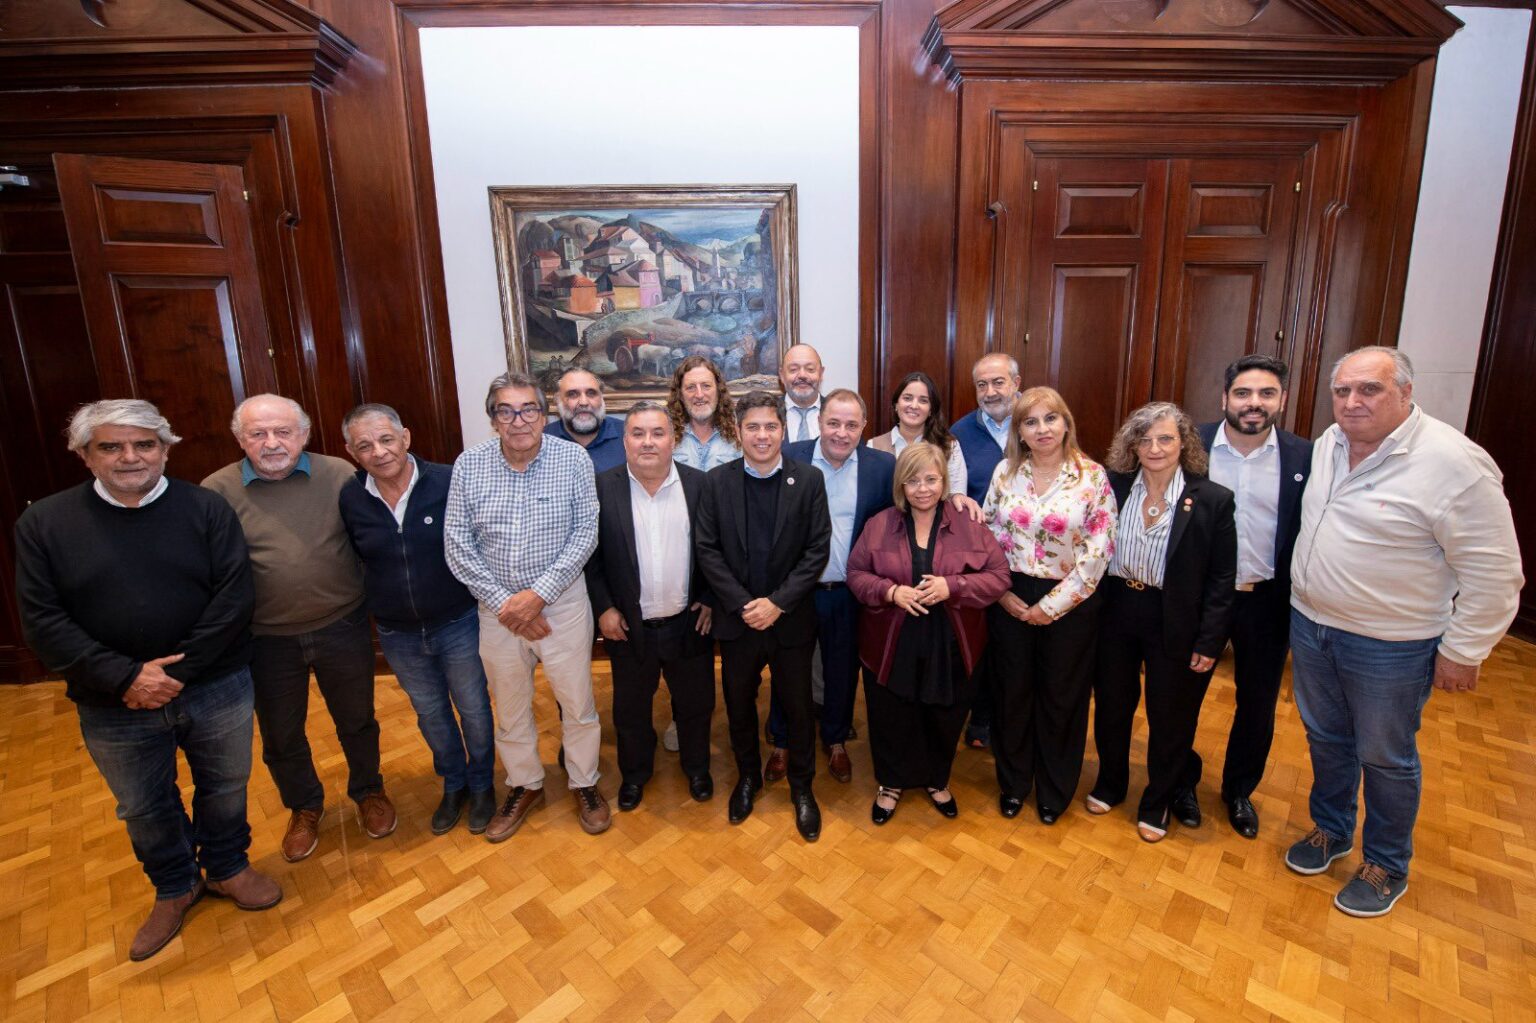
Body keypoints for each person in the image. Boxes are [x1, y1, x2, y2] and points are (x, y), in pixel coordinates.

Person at [15, 399, 280, 962]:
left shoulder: (206, 508)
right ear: (85, 455)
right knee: (143, 805)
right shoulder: (44, 524)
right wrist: (127, 677)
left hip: (215, 684)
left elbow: (233, 598)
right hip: (113, 700)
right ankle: (175, 885)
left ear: (165, 449)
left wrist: (172, 675)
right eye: (111, 446)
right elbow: (42, 621)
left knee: (226, 785)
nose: (129, 457)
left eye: (144, 444)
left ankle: (227, 867)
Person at [1285, 346, 1521, 917]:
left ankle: (1387, 864)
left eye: (1370, 389)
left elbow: (1496, 572)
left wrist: (1464, 650)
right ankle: (1331, 829)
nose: (1352, 401)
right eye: (1343, 390)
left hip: (1390, 647)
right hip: (1312, 626)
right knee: (1326, 738)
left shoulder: (1455, 465)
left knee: (1385, 756)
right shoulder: (1330, 442)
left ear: (1406, 393)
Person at [204, 394, 396, 862]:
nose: (271, 443)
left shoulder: (341, 474)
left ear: (304, 435)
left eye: (283, 432)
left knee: (356, 719)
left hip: (342, 624)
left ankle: (369, 791)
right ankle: (304, 807)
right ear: (240, 439)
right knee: (281, 734)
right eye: (258, 434)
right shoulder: (216, 490)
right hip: (265, 638)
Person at [445, 372, 611, 840]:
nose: (518, 420)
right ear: (493, 418)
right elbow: (457, 544)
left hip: (562, 605)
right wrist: (508, 604)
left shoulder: (572, 459)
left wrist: (538, 596)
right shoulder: (469, 465)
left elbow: (585, 533)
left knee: (577, 703)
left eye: (528, 410)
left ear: (544, 414)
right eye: (506, 411)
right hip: (497, 612)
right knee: (511, 707)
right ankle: (524, 784)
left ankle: (584, 782)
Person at [338, 403, 497, 836]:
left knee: (474, 708)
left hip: (458, 621)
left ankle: (483, 783)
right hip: (397, 632)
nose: (379, 452)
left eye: (386, 439)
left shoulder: (448, 480)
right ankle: (454, 783)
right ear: (352, 452)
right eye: (365, 445)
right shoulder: (351, 497)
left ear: (405, 437)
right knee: (430, 714)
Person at [1087, 402, 1236, 843]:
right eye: (1145, 439)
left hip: (1174, 618)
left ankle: (1157, 801)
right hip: (1116, 610)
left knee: (1170, 716)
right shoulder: (1111, 486)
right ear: (1131, 445)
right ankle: (1110, 784)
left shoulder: (1212, 499)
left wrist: (1209, 642)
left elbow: (1222, 577)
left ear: (1184, 443)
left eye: (1166, 438)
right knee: (1112, 706)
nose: (1155, 448)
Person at [846, 443, 1010, 825]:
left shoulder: (969, 523)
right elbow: (856, 574)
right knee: (891, 715)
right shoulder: (879, 524)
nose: (922, 489)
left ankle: (938, 780)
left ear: (944, 481)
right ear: (901, 485)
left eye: (931, 479)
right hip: (891, 639)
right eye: (913, 480)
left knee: (944, 715)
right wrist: (890, 592)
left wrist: (953, 586)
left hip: (951, 640)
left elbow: (1000, 576)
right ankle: (891, 783)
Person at [695, 391, 831, 841]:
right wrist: (743, 605)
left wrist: (777, 603)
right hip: (738, 623)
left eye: (771, 426)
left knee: (798, 708)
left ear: (783, 430)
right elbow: (707, 550)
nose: (762, 435)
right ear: (738, 432)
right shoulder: (716, 483)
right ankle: (748, 777)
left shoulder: (808, 480)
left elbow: (816, 551)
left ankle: (802, 788)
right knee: (738, 706)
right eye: (752, 426)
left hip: (790, 620)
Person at [982, 388, 1116, 823]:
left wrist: (1050, 608)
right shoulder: (1005, 472)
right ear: (1019, 431)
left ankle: (1054, 791)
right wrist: (1001, 593)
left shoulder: (1092, 477)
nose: (1042, 429)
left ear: (1065, 423)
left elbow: (1098, 553)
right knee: (1011, 695)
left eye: (1050, 418)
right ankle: (1014, 783)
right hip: (1009, 594)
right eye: (1030, 421)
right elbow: (987, 536)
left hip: (1071, 601)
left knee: (1062, 699)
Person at [1197, 355, 1311, 838]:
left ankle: (1239, 790)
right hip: (1201, 597)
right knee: (1183, 695)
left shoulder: (1306, 457)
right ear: (1225, 397)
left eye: (1266, 394)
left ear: (1282, 400)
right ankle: (1180, 780)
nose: (1253, 403)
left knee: (1258, 703)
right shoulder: (1190, 445)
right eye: (1243, 393)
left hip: (1267, 601)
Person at [585, 402, 717, 809]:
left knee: (696, 705)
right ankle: (635, 775)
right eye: (638, 433)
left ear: (673, 440)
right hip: (628, 625)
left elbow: (718, 550)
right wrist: (604, 608)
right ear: (624, 441)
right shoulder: (601, 487)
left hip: (688, 621)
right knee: (630, 710)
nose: (648, 442)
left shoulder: (700, 485)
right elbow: (590, 557)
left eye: (657, 433)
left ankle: (697, 768)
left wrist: (710, 599)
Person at [767, 389, 896, 784]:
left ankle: (835, 739)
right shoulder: (790, 457)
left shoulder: (882, 467)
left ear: (864, 427)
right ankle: (782, 740)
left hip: (848, 592)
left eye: (851, 425)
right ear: (819, 421)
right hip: (796, 592)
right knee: (789, 668)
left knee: (842, 669)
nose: (842, 432)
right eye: (834, 423)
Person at [949, 353, 1023, 748]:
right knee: (981, 644)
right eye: (982, 385)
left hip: (1030, 561)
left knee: (1017, 649)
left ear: (1016, 382)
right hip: (978, 560)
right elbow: (953, 494)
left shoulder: (1036, 421)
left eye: (998, 382)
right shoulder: (959, 433)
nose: (990, 392)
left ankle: (1015, 725)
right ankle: (980, 720)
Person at [871, 371, 968, 497]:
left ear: (931, 410)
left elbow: (956, 496)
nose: (914, 405)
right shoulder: (874, 446)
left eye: (923, 400)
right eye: (907, 398)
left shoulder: (949, 446)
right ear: (896, 405)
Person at [544, 368, 625, 474]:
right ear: (558, 401)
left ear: (601, 398)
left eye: (591, 393)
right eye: (573, 394)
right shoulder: (542, 440)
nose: (584, 402)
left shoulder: (627, 434)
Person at [669, 355, 741, 473]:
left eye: (706, 386)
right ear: (680, 395)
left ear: (718, 390)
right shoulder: (666, 436)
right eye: (691, 387)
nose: (699, 395)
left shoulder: (739, 434)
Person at [779, 344, 825, 442]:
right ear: (782, 375)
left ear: (821, 374)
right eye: (793, 369)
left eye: (810, 369)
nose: (802, 375)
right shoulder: (768, 413)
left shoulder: (837, 413)